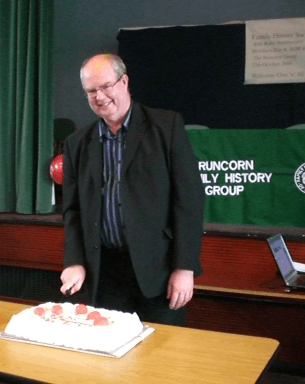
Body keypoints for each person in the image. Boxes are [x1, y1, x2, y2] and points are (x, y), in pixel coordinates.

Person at [60, 53, 204, 325]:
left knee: (163, 354)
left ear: (124, 81)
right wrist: (74, 261)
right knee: (110, 357)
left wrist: (184, 268)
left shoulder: (166, 126)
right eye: (91, 91)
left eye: (105, 86)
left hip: (158, 271)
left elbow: (189, 201)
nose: (99, 96)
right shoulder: (76, 143)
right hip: (104, 273)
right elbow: (73, 211)